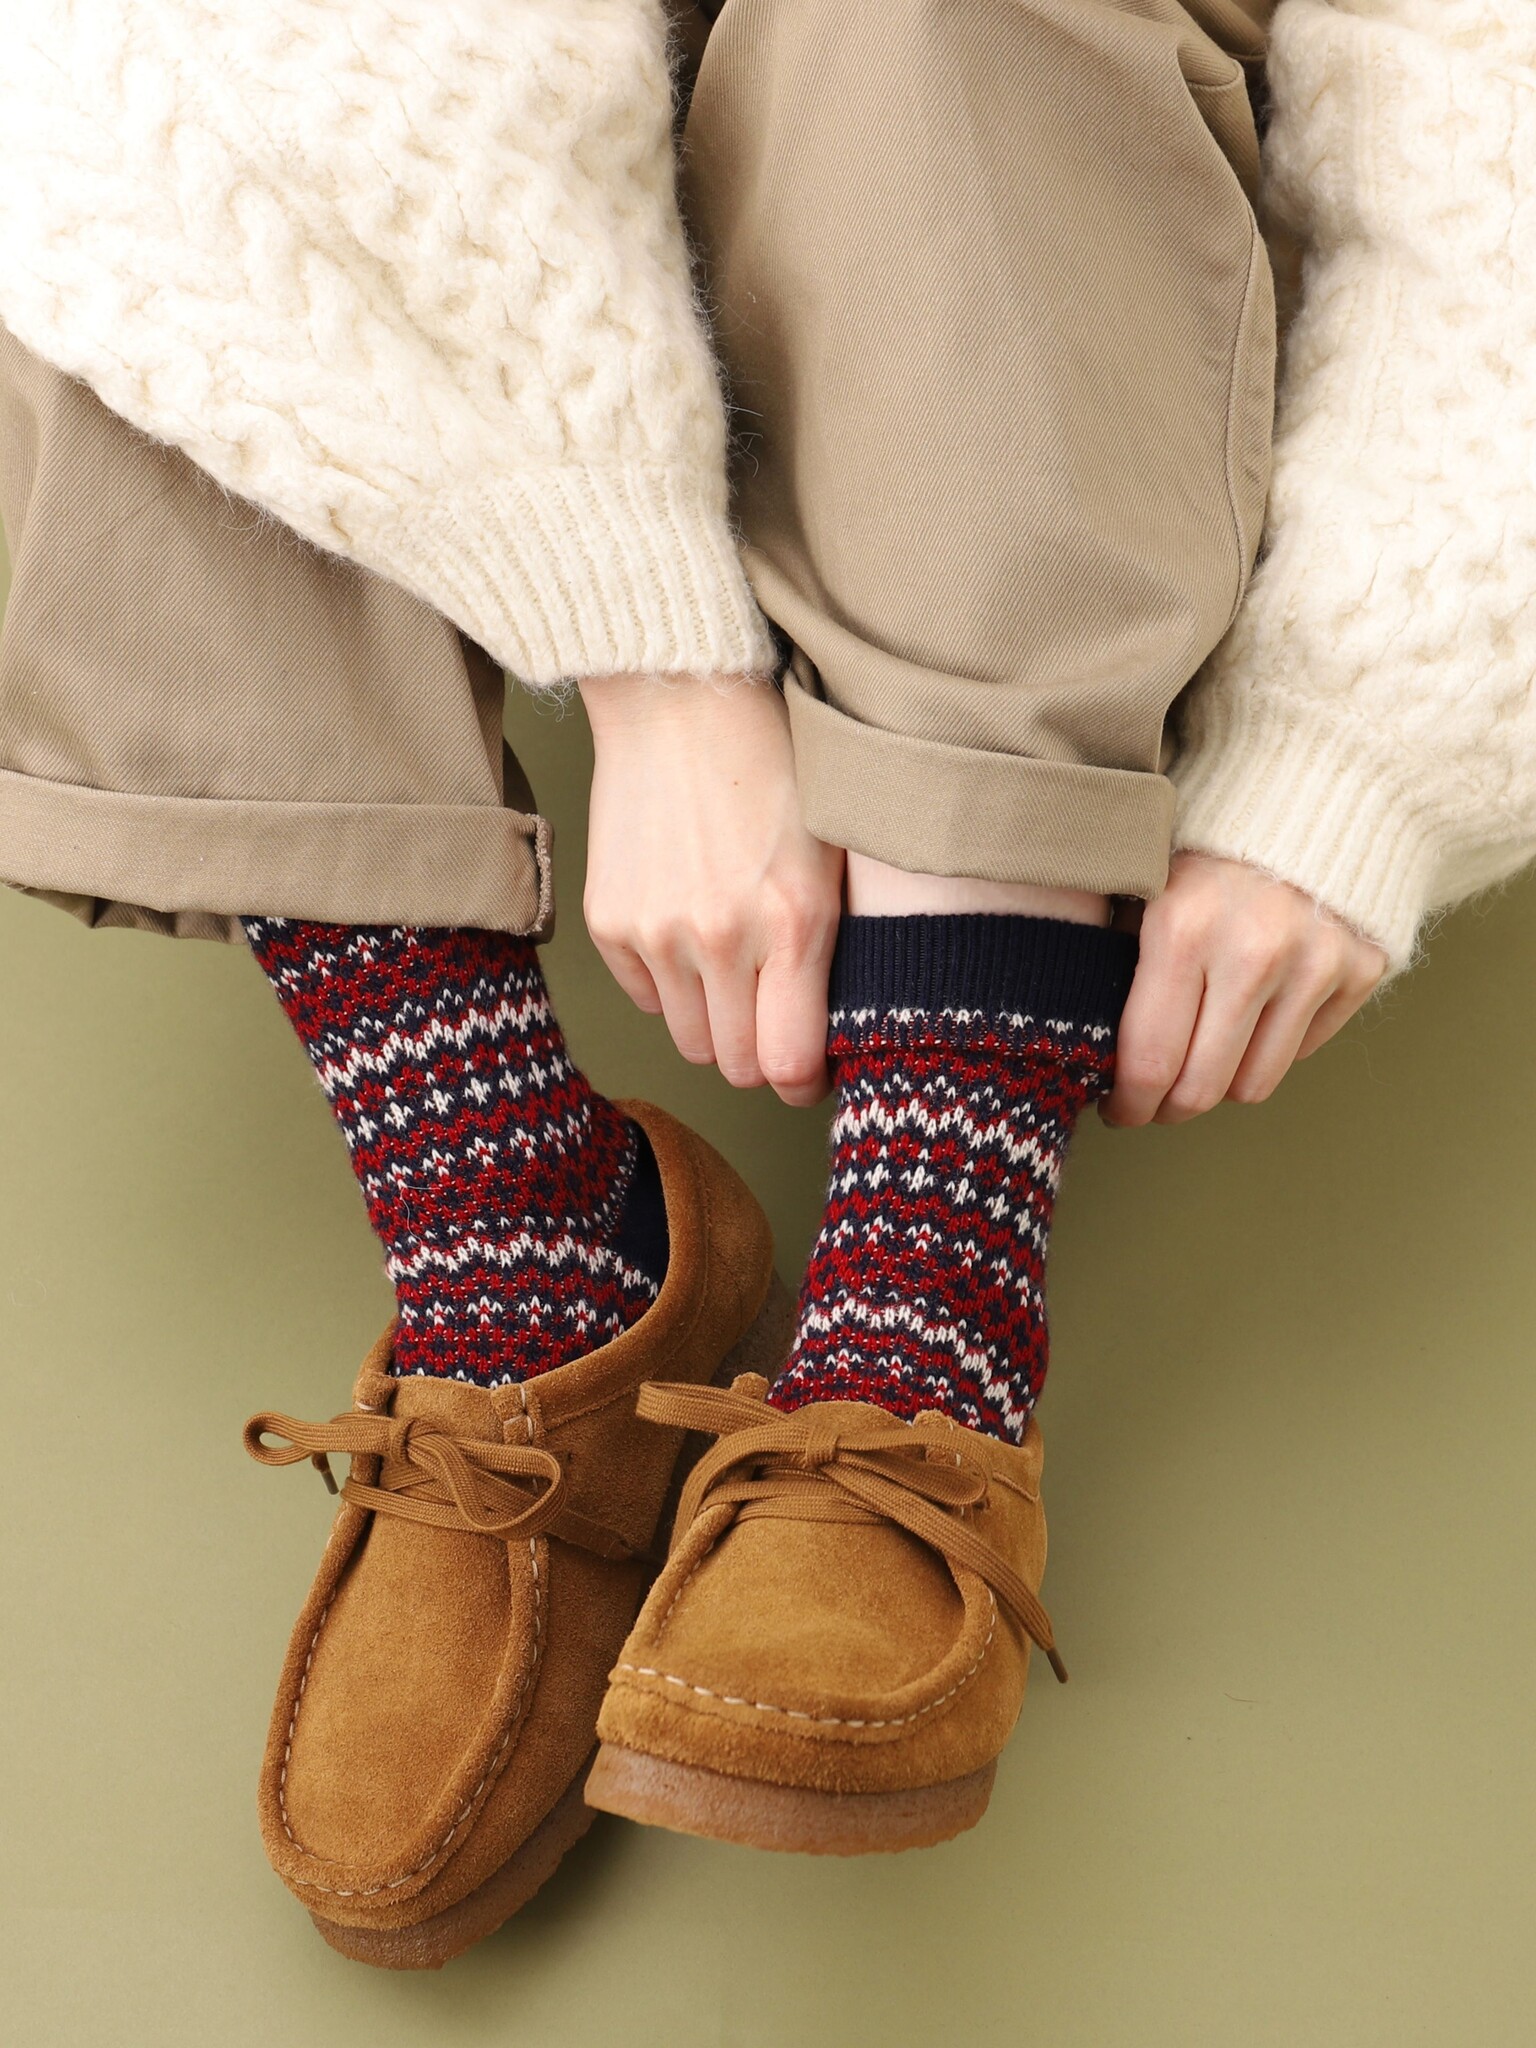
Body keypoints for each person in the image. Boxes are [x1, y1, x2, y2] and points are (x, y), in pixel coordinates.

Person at [0, 0, 1529, 1970]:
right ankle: (518, 1243)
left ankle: (930, 1304)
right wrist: (644, 646)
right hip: (541, 252)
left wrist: (1373, 732)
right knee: (112, 118)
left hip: (1074, 255)